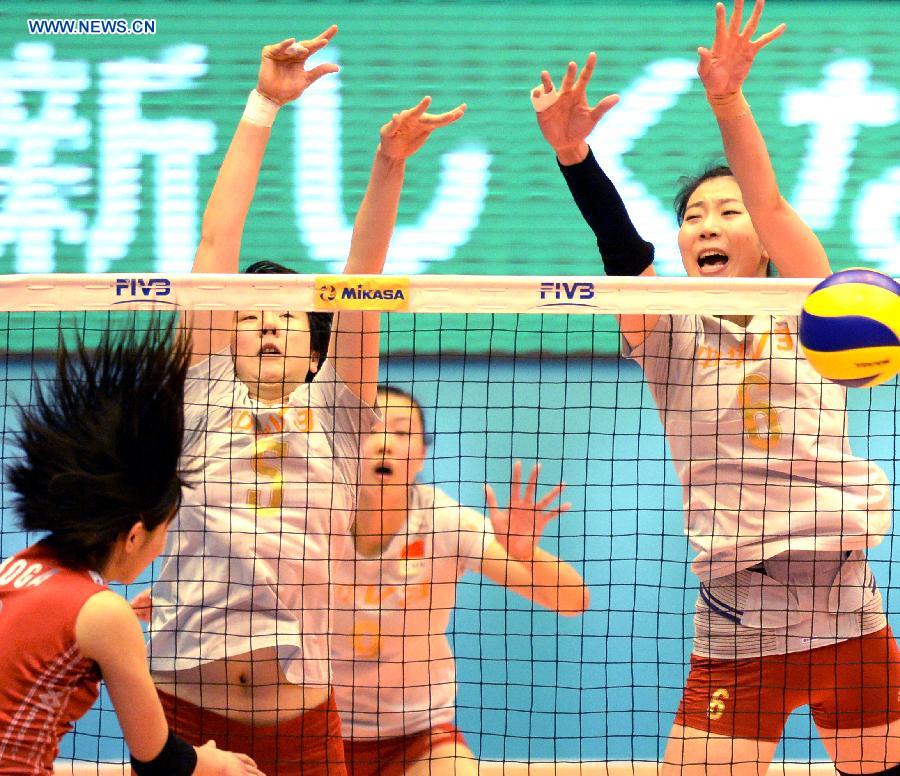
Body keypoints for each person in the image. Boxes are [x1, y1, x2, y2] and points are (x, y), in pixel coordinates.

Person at [533, 1, 900, 774]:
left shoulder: (815, 306)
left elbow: (771, 201)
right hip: (742, 618)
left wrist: (728, 100)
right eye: (693, 216)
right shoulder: (665, 333)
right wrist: (575, 157)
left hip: (849, 608)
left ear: (763, 246)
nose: (707, 224)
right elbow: (623, 250)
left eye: (725, 212)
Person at [144, 27, 467, 776]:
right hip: (183, 705)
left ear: (317, 348)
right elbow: (216, 243)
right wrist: (263, 104)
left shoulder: (341, 410)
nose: (264, 320)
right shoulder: (202, 392)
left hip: (302, 719)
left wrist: (388, 165)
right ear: (227, 333)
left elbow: (363, 274)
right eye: (251, 311)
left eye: (286, 313)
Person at [0, 322, 261, 776]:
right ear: (136, 533)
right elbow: (161, 763)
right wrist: (214, 763)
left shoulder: (20, 567)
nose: (162, 547)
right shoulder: (103, 614)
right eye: (166, 530)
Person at [330, 385, 589, 776]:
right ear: (344, 444)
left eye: (401, 433)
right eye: (370, 429)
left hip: (418, 736)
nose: (384, 443)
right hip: (315, 729)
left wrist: (524, 553)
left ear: (421, 455)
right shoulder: (311, 517)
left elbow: (573, 600)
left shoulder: (445, 521)